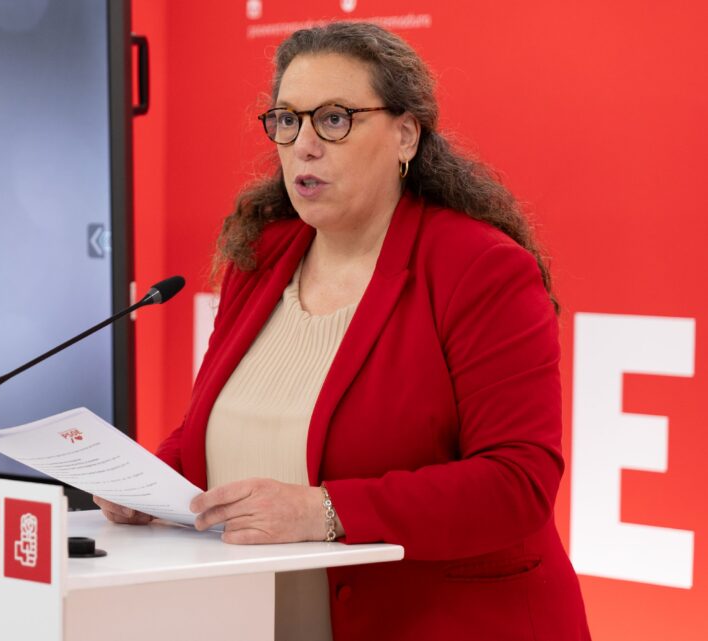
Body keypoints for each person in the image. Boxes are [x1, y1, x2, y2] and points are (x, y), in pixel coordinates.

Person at [94, 21, 591, 641]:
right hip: (260, 619)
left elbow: (517, 482)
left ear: (406, 134)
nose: (303, 145)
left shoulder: (479, 268)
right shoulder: (260, 257)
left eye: (334, 119)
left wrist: (324, 511)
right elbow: (224, 427)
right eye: (287, 120)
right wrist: (152, 485)